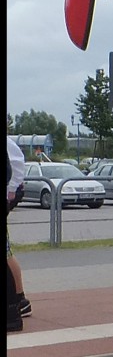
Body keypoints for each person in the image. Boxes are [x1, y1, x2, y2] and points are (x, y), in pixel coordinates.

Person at [7, 134, 30, 329]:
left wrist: (11, 190)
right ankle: (18, 298)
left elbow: (16, 164)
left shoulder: (8, 144)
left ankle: (18, 299)